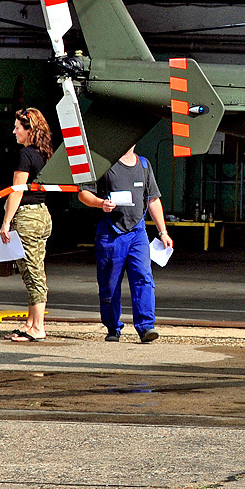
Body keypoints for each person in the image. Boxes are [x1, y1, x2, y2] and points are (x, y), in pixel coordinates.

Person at [78, 147, 173, 343]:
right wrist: (100, 203)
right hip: (111, 232)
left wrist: (162, 231)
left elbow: (153, 199)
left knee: (144, 279)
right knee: (109, 283)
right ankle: (113, 327)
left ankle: (146, 327)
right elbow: (83, 194)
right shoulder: (102, 164)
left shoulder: (145, 165)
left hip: (138, 232)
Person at [0, 108, 55, 342]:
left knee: (32, 273)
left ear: (29, 130)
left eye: (17, 127)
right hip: (43, 216)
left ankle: (38, 327)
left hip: (28, 218)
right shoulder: (45, 153)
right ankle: (31, 322)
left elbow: (17, 191)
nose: (14, 131)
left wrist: (6, 222)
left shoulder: (25, 155)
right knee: (34, 269)